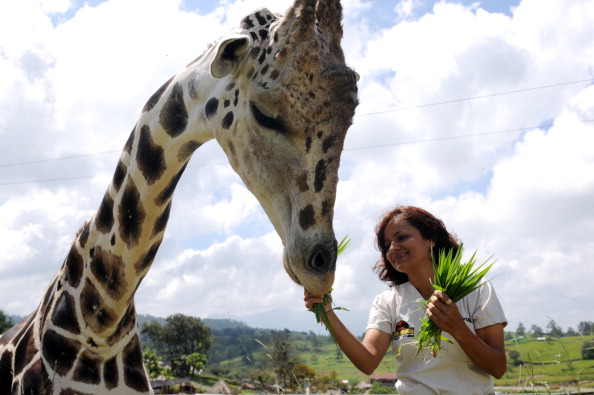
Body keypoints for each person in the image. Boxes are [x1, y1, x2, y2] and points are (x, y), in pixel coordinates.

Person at [304, 206, 507, 395]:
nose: (393, 248)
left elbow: (497, 368)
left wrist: (458, 329)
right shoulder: (388, 301)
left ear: (431, 240)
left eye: (402, 237)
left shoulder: (476, 290)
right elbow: (367, 362)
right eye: (386, 245)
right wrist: (328, 313)